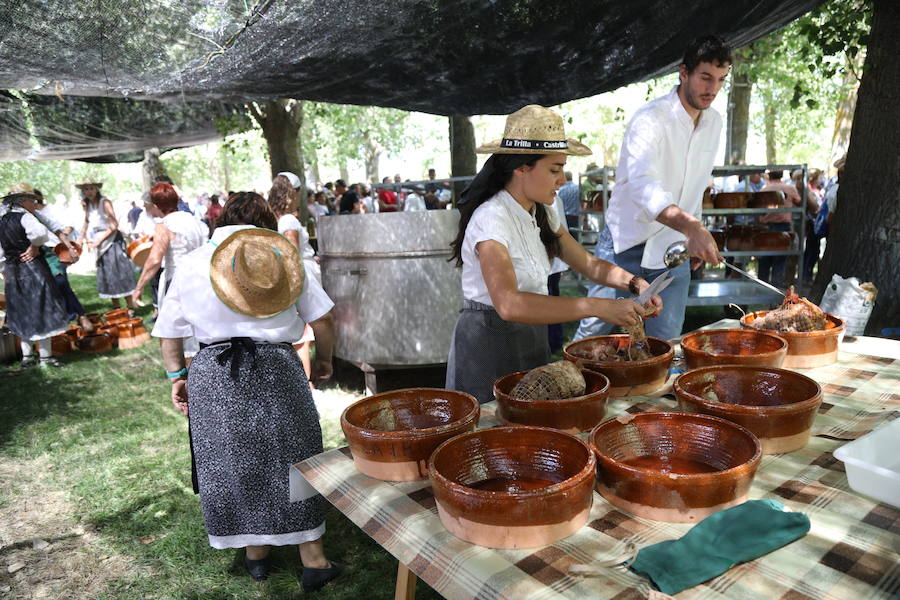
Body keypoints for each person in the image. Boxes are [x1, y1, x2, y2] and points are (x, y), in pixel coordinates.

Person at [152, 192, 342, 592]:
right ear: (266, 228)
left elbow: (169, 332)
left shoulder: (190, 264)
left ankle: (255, 553)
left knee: (231, 459)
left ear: (220, 225)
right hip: (277, 366)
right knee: (296, 455)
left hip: (213, 371)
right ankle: (314, 559)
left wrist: (177, 375)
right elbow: (323, 320)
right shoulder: (283, 259)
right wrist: (324, 361)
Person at [445, 105, 663, 404]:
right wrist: (595, 306)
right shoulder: (492, 219)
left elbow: (588, 263)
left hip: (531, 335)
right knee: (491, 432)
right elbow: (508, 304)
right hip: (488, 342)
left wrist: (637, 284)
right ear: (520, 168)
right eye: (554, 170)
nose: (562, 180)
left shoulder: (542, 212)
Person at [604, 35, 731, 340]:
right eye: (705, 77)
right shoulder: (650, 119)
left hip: (673, 251)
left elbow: (697, 183)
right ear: (683, 72)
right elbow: (642, 186)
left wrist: (693, 238)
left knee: (666, 344)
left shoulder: (715, 122)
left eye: (721, 80)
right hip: (626, 245)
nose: (712, 88)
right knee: (601, 343)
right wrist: (693, 228)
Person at [131, 183, 208, 355]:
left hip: (178, 280)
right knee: (199, 326)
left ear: (156, 206)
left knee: (178, 331)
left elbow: (154, 259)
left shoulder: (164, 225)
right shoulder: (194, 220)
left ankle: (183, 374)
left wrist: (139, 287)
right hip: (201, 277)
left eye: (149, 206)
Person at [0, 184, 69, 368]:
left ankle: (27, 358)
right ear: (23, 201)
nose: (34, 203)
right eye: (32, 200)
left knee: (21, 310)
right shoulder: (25, 217)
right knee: (42, 308)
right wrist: (34, 246)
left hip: (12, 270)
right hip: (32, 269)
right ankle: (45, 358)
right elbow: (39, 233)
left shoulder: (2, 220)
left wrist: (3, 269)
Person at [268, 174, 322, 383]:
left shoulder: (279, 218)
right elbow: (293, 252)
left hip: (302, 270)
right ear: (294, 193)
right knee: (305, 333)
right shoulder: (289, 220)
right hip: (302, 274)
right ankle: (308, 382)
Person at [32, 191, 93, 332]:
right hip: (40, 253)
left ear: (36, 201)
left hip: (56, 251)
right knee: (50, 288)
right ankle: (68, 317)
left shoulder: (52, 210)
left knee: (61, 282)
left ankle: (79, 315)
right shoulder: (27, 216)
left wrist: (64, 241)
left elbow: (68, 225)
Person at [77, 178, 136, 310]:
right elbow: (86, 222)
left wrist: (98, 241)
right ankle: (117, 308)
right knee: (107, 275)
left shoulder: (105, 202)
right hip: (99, 242)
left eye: (91, 188)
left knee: (120, 273)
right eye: (86, 189)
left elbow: (114, 225)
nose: (89, 191)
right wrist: (80, 238)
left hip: (112, 241)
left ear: (96, 189)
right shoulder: (87, 205)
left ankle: (130, 306)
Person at [758, 169, 802, 287]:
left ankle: (761, 288)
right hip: (783, 227)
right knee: (780, 260)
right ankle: (776, 291)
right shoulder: (790, 189)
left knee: (764, 261)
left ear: (769, 176)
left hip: (765, 228)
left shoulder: (764, 189)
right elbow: (799, 202)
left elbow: (758, 210)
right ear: (782, 175)